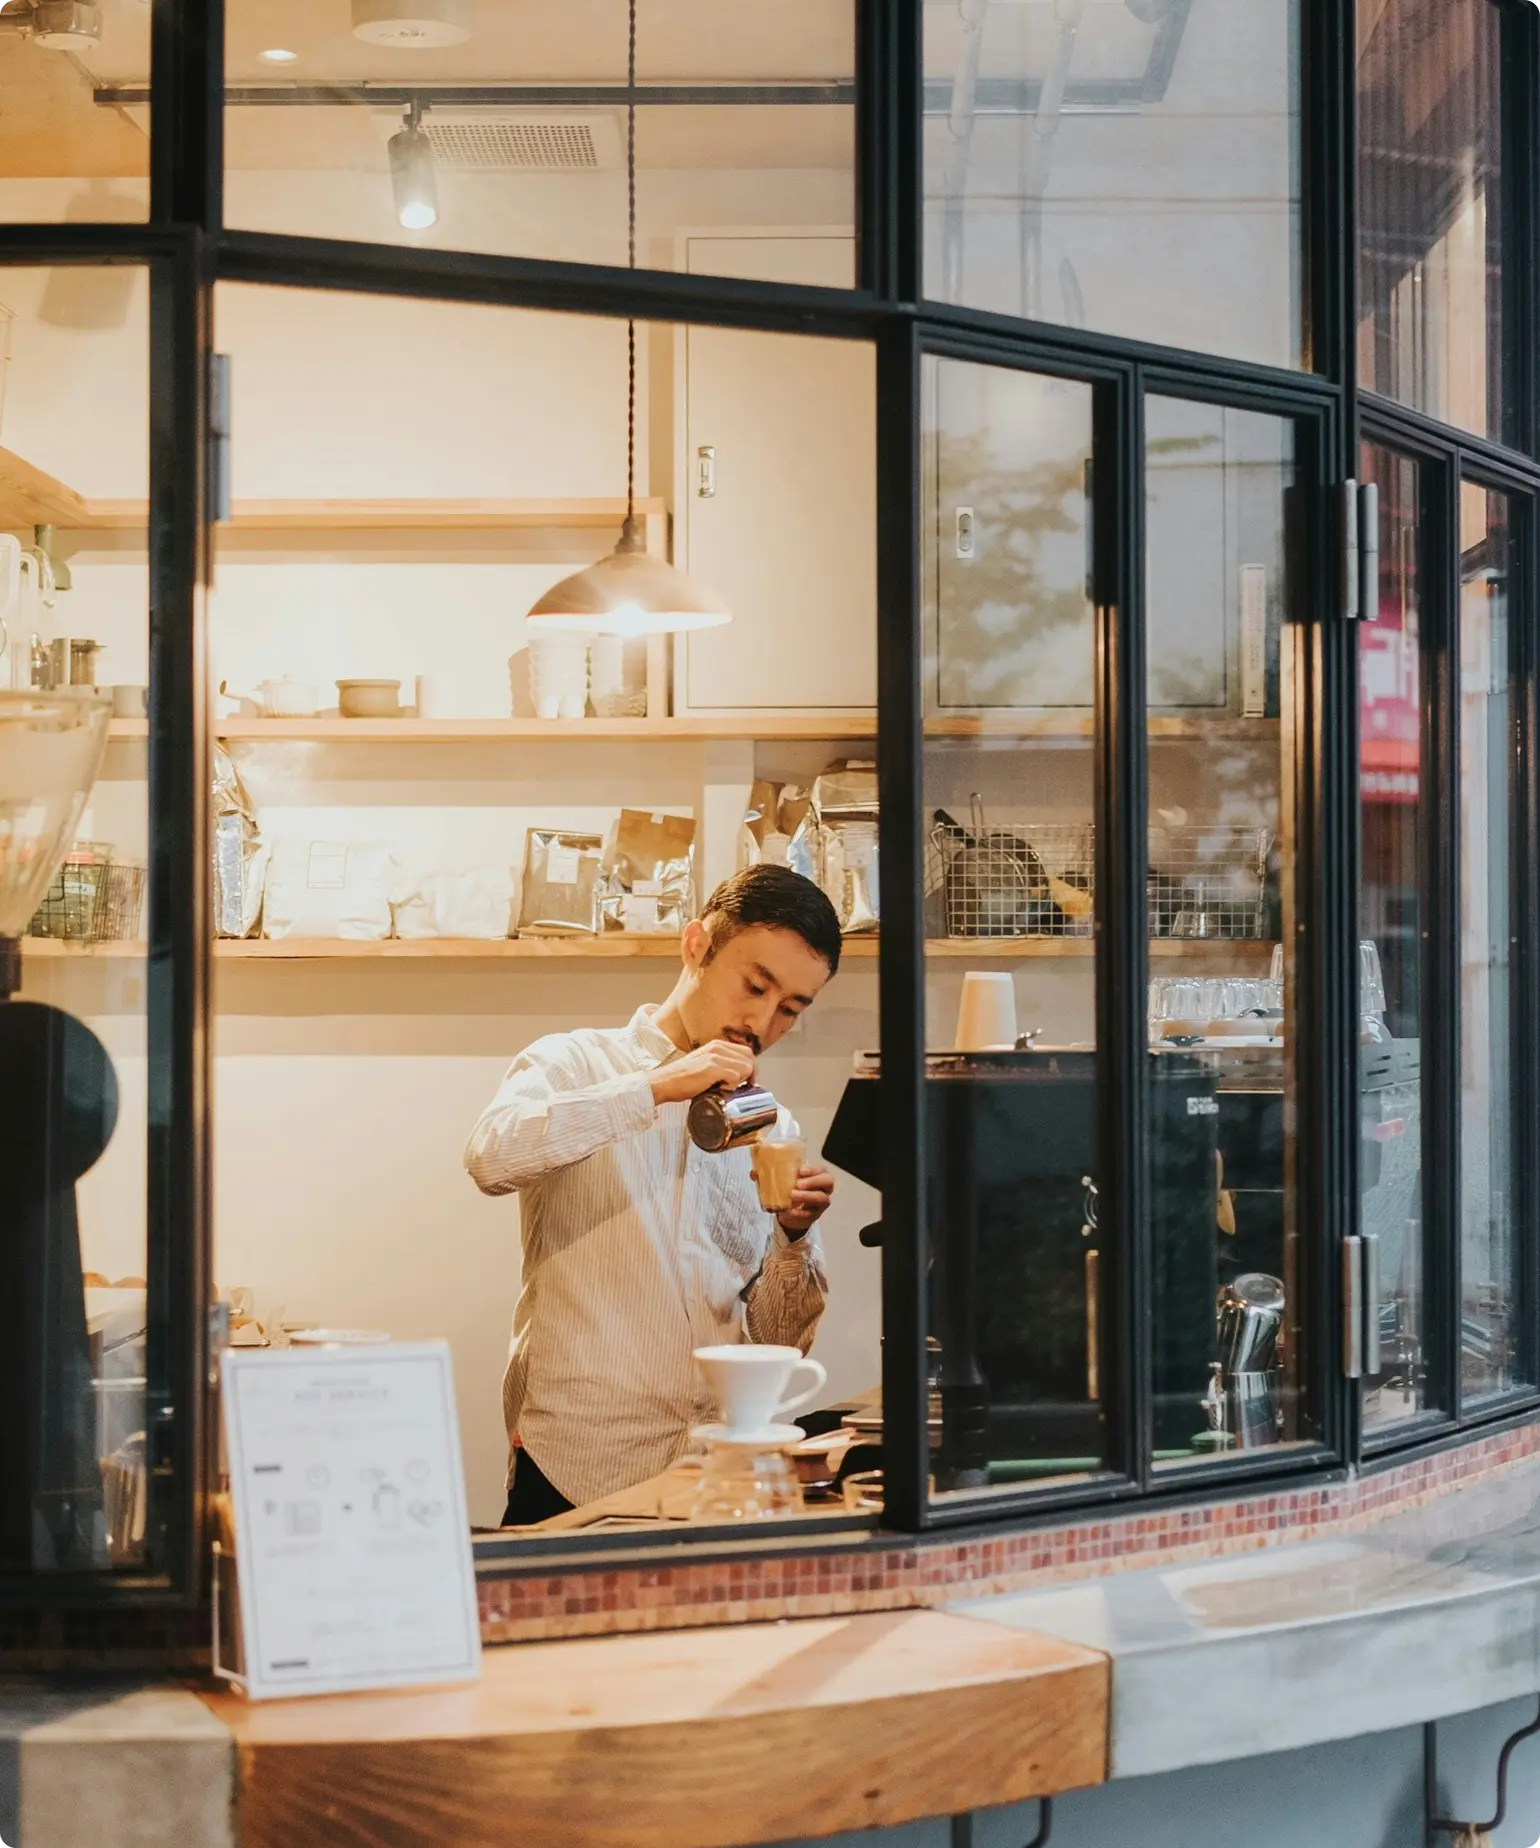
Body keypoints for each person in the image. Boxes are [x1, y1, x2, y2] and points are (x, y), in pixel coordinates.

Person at [464, 864, 842, 1526]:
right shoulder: (573, 1063)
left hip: (715, 1475)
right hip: (576, 1465)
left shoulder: (772, 1126)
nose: (760, 1021)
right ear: (696, 945)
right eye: (755, 986)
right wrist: (659, 1087)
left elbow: (779, 1343)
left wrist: (793, 1236)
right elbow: (491, 1156)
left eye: (790, 1008)